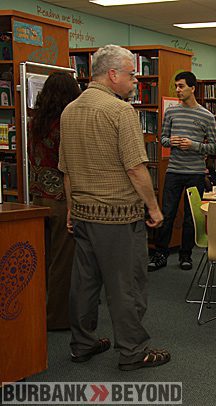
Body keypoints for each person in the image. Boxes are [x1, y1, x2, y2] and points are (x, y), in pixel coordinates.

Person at [58, 44, 169, 371]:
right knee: (127, 286)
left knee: (84, 283)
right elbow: (135, 168)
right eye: (132, 75)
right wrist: (154, 208)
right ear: (112, 74)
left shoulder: (69, 111)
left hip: (83, 214)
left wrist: (71, 208)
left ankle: (82, 343)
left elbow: (66, 169)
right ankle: (134, 351)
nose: (135, 81)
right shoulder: (121, 112)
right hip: (118, 217)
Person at [148, 71, 216, 272]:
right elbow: (163, 139)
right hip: (174, 171)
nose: (178, 90)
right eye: (176, 86)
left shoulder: (206, 116)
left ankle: (185, 255)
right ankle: (160, 254)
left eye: (181, 86)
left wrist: (193, 145)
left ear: (192, 88)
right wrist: (171, 141)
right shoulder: (171, 113)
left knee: (190, 216)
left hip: (195, 173)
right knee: (167, 213)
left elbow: (214, 147)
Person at [28, 71, 81, 330]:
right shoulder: (66, 123)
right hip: (61, 199)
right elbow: (71, 164)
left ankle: (39, 309)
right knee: (63, 261)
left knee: (43, 258)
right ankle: (57, 317)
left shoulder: (34, 121)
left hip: (38, 197)